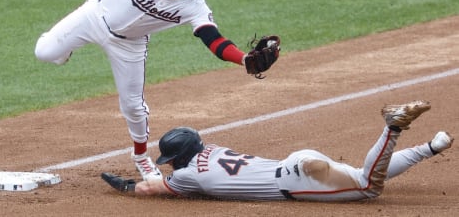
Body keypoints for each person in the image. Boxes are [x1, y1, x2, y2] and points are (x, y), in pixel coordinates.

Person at [35, 0, 274, 181]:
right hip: (94, 16)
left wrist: (244, 59)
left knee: (133, 107)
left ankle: (140, 157)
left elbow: (213, 39)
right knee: (44, 52)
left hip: (130, 46)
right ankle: (65, 49)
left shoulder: (195, 7)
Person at [101, 100, 454, 201]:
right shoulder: (214, 149)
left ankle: (392, 127)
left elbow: (151, 187)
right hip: (301, 160)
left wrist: (128, 186)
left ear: (179, 158)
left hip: (300, 179)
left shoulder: (189, 175)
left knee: (368, 186)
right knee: (360, 177)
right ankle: (430, 147)